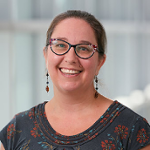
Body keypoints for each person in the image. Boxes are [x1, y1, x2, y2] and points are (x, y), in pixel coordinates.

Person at [0, 10, 150, 150]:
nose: (70, 58)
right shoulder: (17, 129)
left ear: (100, 62)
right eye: (60, 45)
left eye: (84, 48)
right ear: (46, 55)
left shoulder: (133, 128)